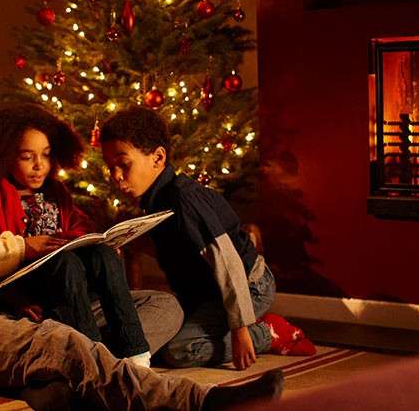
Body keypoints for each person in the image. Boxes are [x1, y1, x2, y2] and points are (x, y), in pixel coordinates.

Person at [0, 46, 284, 410]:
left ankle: (60, 386)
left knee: (160, 306)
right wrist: (18, 250)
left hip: (3, 306)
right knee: (64, 342)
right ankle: (198, 402)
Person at [100, 106, 316, 371]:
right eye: (110, 168)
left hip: (247, 286)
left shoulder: (184, 200)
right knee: (157, 339)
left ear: (158, 158)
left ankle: (267, 332)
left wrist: (239, 328)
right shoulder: (154, 202)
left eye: (124, 165)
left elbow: (227, 262)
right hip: (208, 295)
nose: (116, 176)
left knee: (178, 350)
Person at [0, 104, 151, 367]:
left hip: (73, 281)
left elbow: (80, 224)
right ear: (6, 155)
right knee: (66, 262)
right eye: (26, 157)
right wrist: (17, 300)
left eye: (46, 155)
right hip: (36, 282)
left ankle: (136, 353)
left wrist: (99, 241)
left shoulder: (56, 190)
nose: (39, 166)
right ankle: (94, 358)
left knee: (104, 254)